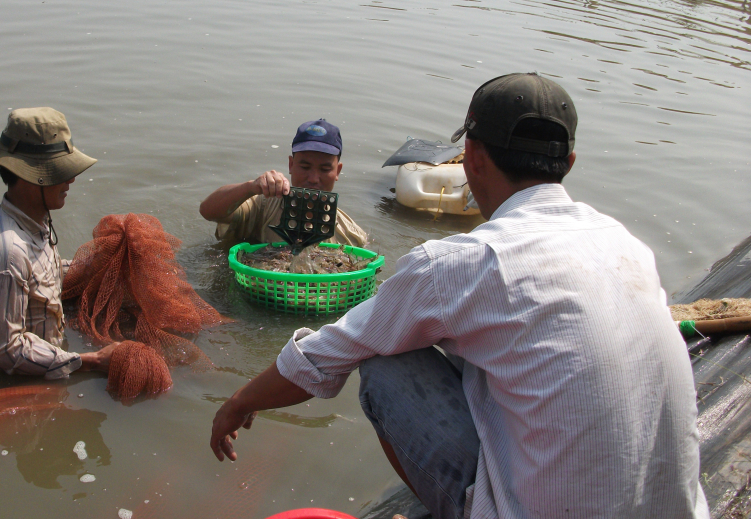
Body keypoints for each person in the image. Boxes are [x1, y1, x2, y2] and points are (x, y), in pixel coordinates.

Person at [210, 74, 708, 518]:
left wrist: (237, 402)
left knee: (385, 362)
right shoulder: (628, 246)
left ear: (470, 157)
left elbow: (326, 355)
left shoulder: (459, 262)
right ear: (569, 163)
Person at [0, 107, 118, 379]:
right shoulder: (6, 254)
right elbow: (4, 352)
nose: (71, 179)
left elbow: (43, 275)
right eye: (60, 172)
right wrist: (91, 361)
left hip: (48, 352)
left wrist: (99, 266)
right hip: (15, 382)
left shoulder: (33, 219)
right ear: (29, 177)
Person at [199, 119, 367, 247]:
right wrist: (251, 187)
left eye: (324, 169)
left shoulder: (352, 236)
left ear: (337, 171)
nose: (314, 178)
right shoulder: (262, 207)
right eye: (305, 166)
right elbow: (208, 211)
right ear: (291, 165)